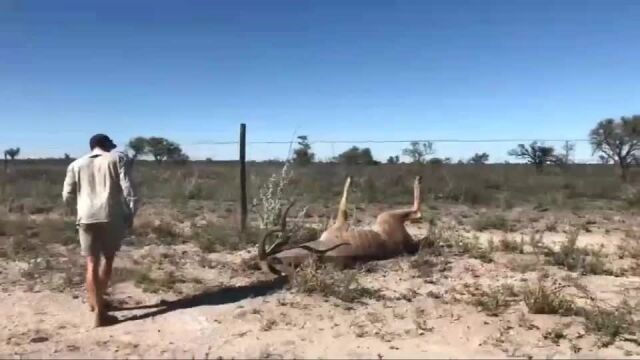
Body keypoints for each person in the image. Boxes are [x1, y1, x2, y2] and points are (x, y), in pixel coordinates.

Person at [62, 133, 138, 327]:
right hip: (110, 215)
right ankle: (100, 310)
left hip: (85, 216)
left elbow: (66, 195)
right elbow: (129, 190)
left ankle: (95, 305)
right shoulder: (117, 159)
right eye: (110, 144)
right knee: (109, 259)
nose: (113, 147)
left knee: (91, 262)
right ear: (104, 144)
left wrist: (77, 213)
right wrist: (130, 214)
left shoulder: (76, 164)